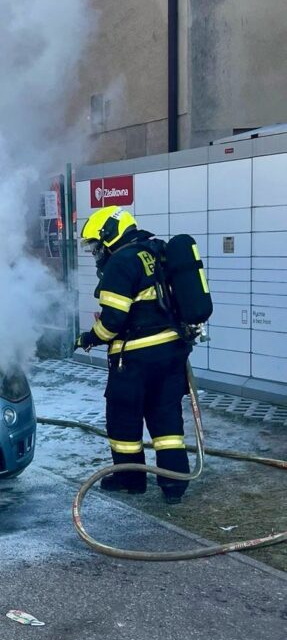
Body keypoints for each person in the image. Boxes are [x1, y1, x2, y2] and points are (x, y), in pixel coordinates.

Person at [75, 207, 190, 504]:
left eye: (96, 245)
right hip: (172, 354)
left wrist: (88, 338)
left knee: (123, 419)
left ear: (111, 236)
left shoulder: (121, 262)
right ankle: (174, 485)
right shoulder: (158, 251)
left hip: (136, 359)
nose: (95, 252)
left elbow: (112, 322)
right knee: (167, 422)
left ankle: (130, 479)